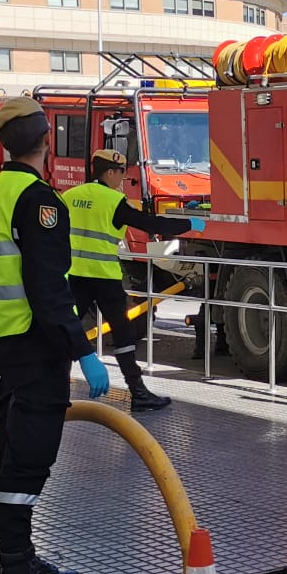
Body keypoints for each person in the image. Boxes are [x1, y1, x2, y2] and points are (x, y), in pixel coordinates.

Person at [0, 96, 111, 574]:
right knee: (25, 469)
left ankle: (22, 564)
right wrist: (84, 353)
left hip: (8, 345)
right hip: (35, 348)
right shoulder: (39, 200)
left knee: (13, 458)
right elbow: (49, 288)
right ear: (46, 141)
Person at [62, 149, 205, 411]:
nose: (123, 179)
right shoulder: (112, 201)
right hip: (104, 278)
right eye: (121, 173)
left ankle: (54, 387)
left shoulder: (69, 196)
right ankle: (138, 393)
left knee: (66, 330)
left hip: (74, 277)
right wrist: (190, 223)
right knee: (124, 335)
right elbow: (152, 225)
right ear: (109, 172)